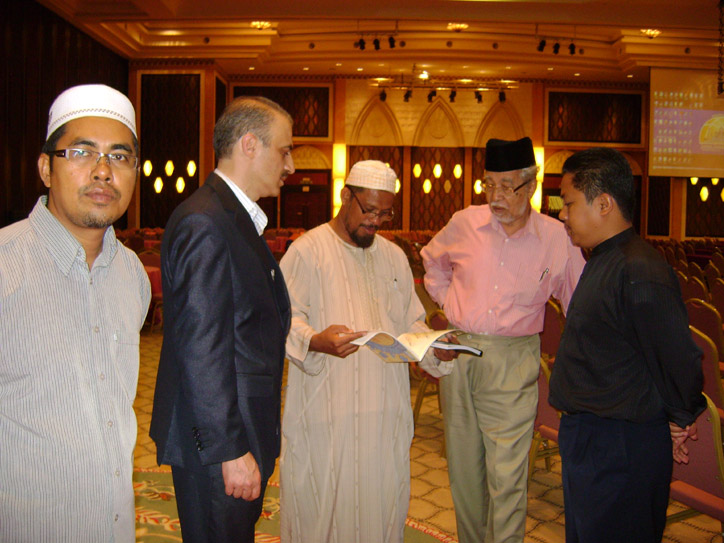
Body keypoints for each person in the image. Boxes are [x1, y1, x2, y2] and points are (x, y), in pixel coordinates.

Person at [0, 84, 150, 541]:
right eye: (82, 152)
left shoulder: (132, 274)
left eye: (120, 156)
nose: (103, 171)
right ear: (46, 168)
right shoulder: (5, 266)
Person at [278, 160, 455, 543]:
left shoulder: (393, 257)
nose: (376, 221)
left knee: (380, 506)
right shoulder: (307, 251)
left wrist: (432, 348)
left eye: (385, 213)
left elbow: (410, 322)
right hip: (327, 412)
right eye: (369, 210)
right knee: (321, 509)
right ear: (346, 196)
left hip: (383, 413)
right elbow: (283, 318)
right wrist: (315, 340)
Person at [421, 137, 586, 543]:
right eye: (489, 184)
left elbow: (580, 302)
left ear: (531, 185)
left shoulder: (556, 238)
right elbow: (432, 262)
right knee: (464, 471)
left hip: (513, 362)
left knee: (507, 477)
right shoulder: (465, 222)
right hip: (459, 355)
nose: (495, 196)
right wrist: (449, 301)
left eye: (507, 186)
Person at [149, 96, 294, 543]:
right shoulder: (206, 222)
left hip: (234, 430)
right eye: (284, 151)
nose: (290, 165)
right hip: (217, 443)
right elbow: (202, 347)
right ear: (249, 145)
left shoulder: (230, 217)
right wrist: (230, 449)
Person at [549, 147, 705, 543]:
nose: (562, 214)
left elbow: (676, 356)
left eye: (569, 203)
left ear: (603, 204)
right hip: (594, 439)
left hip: (620, 447)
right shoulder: (604, 259)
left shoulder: (639, 269)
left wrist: (679, 417)